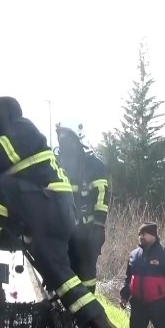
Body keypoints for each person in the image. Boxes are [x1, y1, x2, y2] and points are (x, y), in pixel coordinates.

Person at [0, 96, 119, 328]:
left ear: (2, 113)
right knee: (59, 275)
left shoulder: (21, 127)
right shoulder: (22, 141)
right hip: (56, 211)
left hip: (49, 203)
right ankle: (100, 325)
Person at [55, 121, 110, 294]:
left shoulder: (93, 165)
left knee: (86, 276)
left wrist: (99, 226)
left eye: (66, 137)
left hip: (86, 233)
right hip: (60, 232)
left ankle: (85, 315)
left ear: (78, 138)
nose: (62, 142)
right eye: (60, 136)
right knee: (60, 275)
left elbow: (102, 195)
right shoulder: (54, 161)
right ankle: (60, 312)